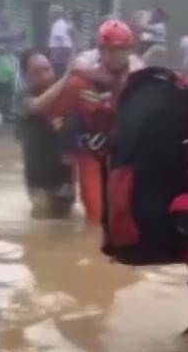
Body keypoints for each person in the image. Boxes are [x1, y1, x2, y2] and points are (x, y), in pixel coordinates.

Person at [28, 19, 136, 224]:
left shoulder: (138, 78)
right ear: (101, 50)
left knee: (126, 214)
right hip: (91, 154)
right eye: (110, 50)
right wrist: (67, 137)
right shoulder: (81, 82)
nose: (115, 55)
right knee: (95, 216)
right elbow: (53, 113)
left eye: (121, 49)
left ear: (129, 50)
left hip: (124, 153)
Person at [15, 49, 75, 219]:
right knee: (42, 224)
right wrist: (67, 76)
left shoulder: (67, 95)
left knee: (66, 222)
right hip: (37, 181)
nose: (44, 76)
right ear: (27, 77)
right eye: (36, 72)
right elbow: (36, 106)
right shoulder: (21, 98)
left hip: (64, 179)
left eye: (47, 69)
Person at [47, 5, 74, 77]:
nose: (50, 16)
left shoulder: (59, 25)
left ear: (57, 14)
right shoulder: (60, 24)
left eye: (51, 13)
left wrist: (53, 58)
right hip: (61, 58)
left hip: (59, 59)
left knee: (58, 77)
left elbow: (61, 43)